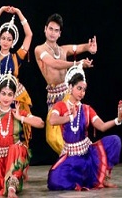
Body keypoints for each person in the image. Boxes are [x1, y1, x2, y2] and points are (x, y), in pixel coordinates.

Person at [47, 65, 122, 191]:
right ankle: (83, 179)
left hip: (87, 154)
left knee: (115, 141)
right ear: (70, 87)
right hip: (70, 156)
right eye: (79, 88)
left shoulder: (87, 109)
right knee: (54, 180)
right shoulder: (60, 106)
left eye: (84, 90)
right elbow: (52, 120)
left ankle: (102, 177)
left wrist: (118, 120)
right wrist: (70, 117)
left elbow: (102, 126)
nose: (82, 93)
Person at [34, 13, 97, 155]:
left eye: (56, 30)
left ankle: (86, 159)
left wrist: (89, 47)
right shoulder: (39, 50)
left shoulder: (63, 49)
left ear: (59, 33)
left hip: (69, 95)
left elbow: (79, 47)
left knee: (74, 130)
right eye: (50, 29)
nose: (52, 33)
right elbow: (54, 64)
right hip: (53, 96)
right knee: (52, 136)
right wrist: (77, 63)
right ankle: (71, 160)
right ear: (45, 29)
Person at [0, 6, 33, 148]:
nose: (6, 41)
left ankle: (19, 166)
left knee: (19, 134)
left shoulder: (16, 57)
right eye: (3, 38)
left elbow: (29, 35)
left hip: (17, 98)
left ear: (13, 42)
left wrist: (19, 13)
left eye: (9, 39)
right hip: (3, 99)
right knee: (3, 133)